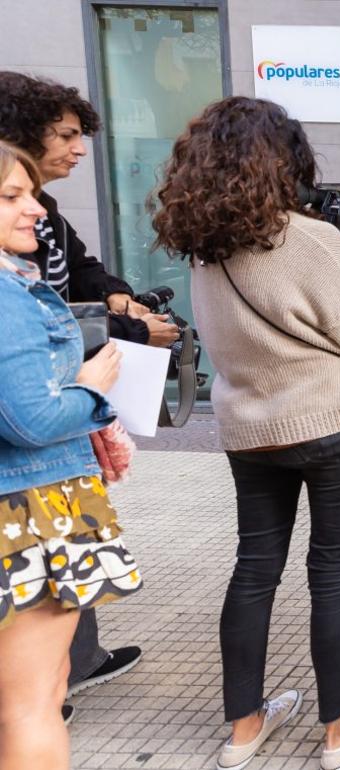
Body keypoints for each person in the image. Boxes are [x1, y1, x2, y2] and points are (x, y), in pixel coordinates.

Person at [150, 97, 340, 770]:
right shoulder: (309, 238)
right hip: (330, 420)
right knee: (332, 574)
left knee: (255, 568)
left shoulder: (204, 249)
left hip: (249, 428)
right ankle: (339, 732)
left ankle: (244, 728)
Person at [0, 70, 156, 711]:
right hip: (33, 460)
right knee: (31, 698)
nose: (79, 149)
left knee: (60, 589)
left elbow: (86, 273)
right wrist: (97, 382)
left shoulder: (48, 217)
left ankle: (69, 667)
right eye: (65, 134)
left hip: (55, 461)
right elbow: (29, 413)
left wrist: (118, 296)